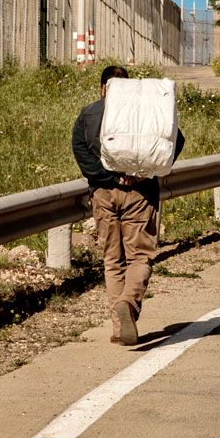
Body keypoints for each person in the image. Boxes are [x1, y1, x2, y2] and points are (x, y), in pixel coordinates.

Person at [72, 64, 185, 345]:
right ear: (128, 86)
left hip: (104, 195)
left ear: (103, 88)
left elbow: (81, 153)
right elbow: (176, 140)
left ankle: (117, 327)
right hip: (141, 194)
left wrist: (111, 177)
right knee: (140, 256)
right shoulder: (147, 108)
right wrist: (144, 173)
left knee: (112, 260)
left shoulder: (89, 113)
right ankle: (130, 303)